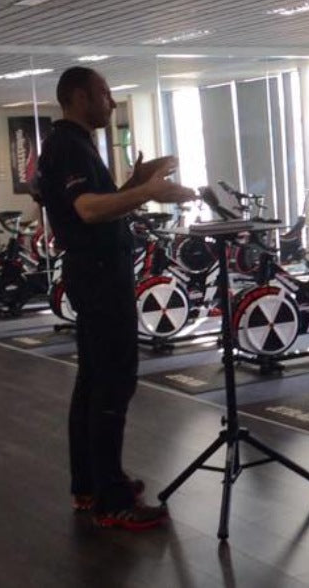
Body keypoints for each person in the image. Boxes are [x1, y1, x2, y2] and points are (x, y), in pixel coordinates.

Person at [36, 66, 196, 530]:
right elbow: (88, 211)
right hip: (100, 277)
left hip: (95, 274)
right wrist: (148, 192)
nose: (110, 101)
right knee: (112, 383)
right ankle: (111, 500)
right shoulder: (69, 145)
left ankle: (91, 484)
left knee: (93, 381)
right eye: (104, 93)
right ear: (79, 97)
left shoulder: (73, 143)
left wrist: (134, 184)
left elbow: (95, 206)